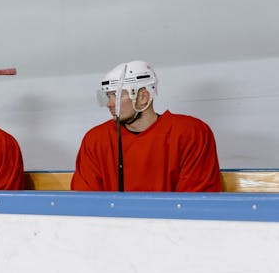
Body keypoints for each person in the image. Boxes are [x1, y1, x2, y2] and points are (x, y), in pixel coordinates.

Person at [71, 60, 221, 192]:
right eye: (108, 96)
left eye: (116, 96)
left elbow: (194, 205)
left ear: (143, 96)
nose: (110, 104)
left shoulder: (191, 133)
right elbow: (85, 201)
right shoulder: (96, 139)